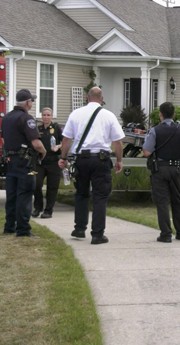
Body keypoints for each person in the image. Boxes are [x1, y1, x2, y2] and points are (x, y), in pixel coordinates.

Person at [58, 87, 124, 245]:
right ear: (102, 99)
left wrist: (63, 158)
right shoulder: (109, 116)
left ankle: (79, 228)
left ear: (87, 98)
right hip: (100, 160)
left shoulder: (76, 114)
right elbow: (117, 142)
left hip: (80, 160)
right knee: (100, 196)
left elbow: (66, 139)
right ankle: (97, 234)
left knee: (81, 194)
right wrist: (119, 160)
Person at [142, 102, 180, 243]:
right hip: (176, 169)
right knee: (178, 201)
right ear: (174, 114)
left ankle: (166, 234)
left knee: (162, 202)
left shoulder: (155, 131)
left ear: (160, 114)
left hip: (160, 169)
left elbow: (147, 152)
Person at [1, 89, 46, 238]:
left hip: (10, 160)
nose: (32, 103)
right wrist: (43, 152)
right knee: (25, 195)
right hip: (25, 162)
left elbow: (3, 140)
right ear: (28, 102)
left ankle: (9, 226)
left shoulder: (6, 117)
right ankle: (23, 230)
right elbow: (36, 143)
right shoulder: (26, 118)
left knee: (12, 195)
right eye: (32, 100)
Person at [32, 107, 63, 219]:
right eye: (44, 115)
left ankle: (48, 210)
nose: (46, 117)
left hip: (54, 161)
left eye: (48, 115)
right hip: (40, 161)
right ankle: (37, 207)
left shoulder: (56, 128)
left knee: (52, 187)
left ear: (52, 116)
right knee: (36, 184)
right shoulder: (38, 128)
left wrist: (58, 147)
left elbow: (65, 142)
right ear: (41, 116)